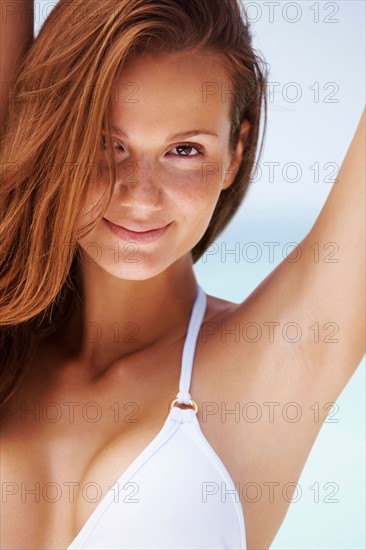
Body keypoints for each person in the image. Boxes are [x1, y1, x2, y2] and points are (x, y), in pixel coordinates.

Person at [0, 0, 364, 548]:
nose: (140, 196)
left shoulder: (277, 360)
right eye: (106, 145)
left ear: (236, 153)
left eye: (185, 150)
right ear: (57, 140)